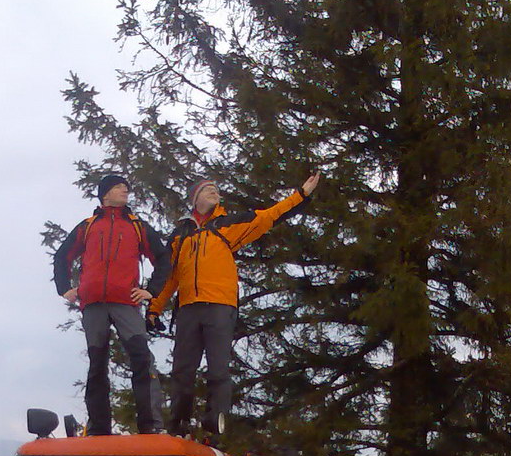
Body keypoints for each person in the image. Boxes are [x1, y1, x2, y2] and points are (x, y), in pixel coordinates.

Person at [147, 173, 321, 437]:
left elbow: (268, 215)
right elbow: (169, 276)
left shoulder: (228, 224)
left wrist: (301, 194)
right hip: (188, 308)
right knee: (182, 371)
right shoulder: (180, 234)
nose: (215, 192)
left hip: (220, 305)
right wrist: (154, 308)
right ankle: (178, 424)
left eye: (217, 190)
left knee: (218, 369)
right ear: (195, 198)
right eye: (208, 190)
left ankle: (214, 422)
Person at [53, 174, 171, 435]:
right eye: (119, 187)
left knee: (141, 359)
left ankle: (150, 426)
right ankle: (98, 429)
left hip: (125, 302)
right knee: (97, 364)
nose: (125, 191)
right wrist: (65, 289)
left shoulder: (137, 226)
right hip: (93, 303)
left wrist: (150, 291)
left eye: (127, 188)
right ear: (105, 194)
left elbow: (163, 258)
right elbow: (62, 256)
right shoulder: (88, 225)